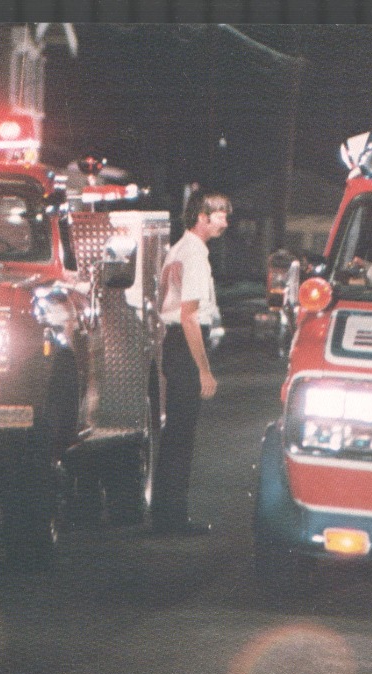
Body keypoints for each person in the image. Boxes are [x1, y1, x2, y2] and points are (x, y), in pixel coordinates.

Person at [150, 188, 230, 534]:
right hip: (184, 345)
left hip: (173, 343)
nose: (225, 222)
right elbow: (189, 316)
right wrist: (204, 370)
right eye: (220, 216)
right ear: (201, 217)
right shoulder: (195, 254)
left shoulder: (179, 249)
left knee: (175, 435)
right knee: (181, 436)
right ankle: (172, 519)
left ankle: (166, 515)